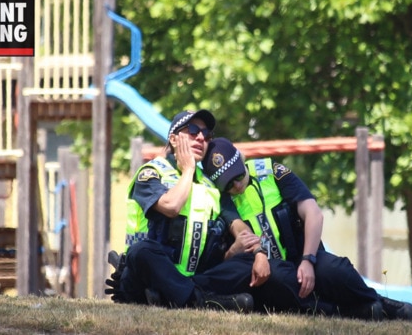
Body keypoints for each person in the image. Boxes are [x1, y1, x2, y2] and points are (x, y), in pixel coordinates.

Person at [105, 110, 313, 314]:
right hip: (147, 276)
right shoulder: (151, 173)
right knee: (142, 251)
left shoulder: (211, 186)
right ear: (174, 139)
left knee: (246, 263)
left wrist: (258, 253)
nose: (201, 137)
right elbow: (171, 206)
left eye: (206, 134)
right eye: (193, 130)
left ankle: (178, 297)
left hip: (193, 278)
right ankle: (202, 301)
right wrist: (188, 169)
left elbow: (239, 227)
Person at [203, 137, 412, 321]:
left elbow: (313, 213)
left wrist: (308, 260)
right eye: (229, 184)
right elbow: (240, 231)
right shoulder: (222, 200)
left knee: (335, 269)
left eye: (238, 176)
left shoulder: (272, 172)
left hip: (303, 256)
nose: (237, 186)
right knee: (280, 280)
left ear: (242, 161)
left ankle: (378, 302)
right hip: (270, 271)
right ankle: (347, 312)